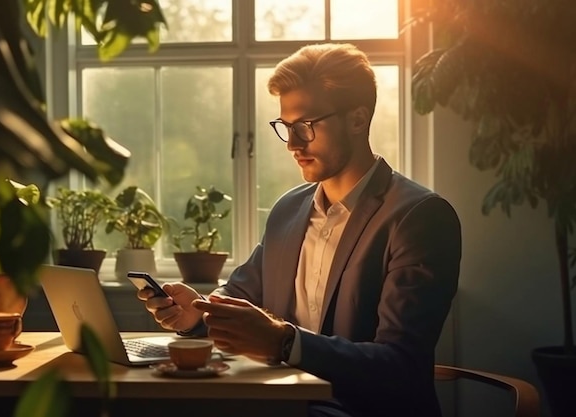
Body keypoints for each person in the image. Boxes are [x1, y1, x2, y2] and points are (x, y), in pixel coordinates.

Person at [138, 43, 461, 417]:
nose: (292, 144)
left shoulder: (420, 217)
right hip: (284, 402)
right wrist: (196, 313)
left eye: (305, 126)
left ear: (357, 119)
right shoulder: (288, 209)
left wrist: (284, 342)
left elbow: (399, 364)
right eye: (285, 127)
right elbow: (242, 292)